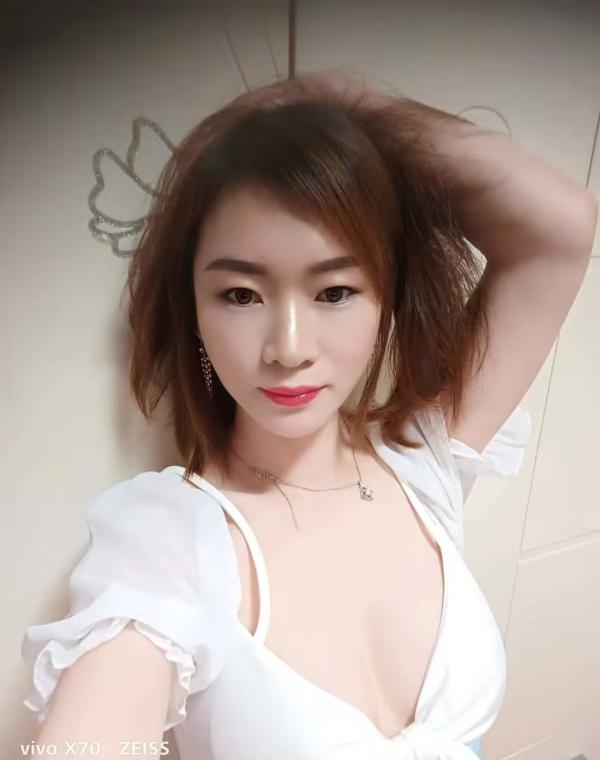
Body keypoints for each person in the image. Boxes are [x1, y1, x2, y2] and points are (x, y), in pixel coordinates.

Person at [20, 71, 596, 760]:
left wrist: (338, 99)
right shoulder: (170, 546)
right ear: (193, 312)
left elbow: (560, 229)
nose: (289, 349)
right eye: (241, 295)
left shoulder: (425, 466)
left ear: (386, 300)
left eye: (334, 292)